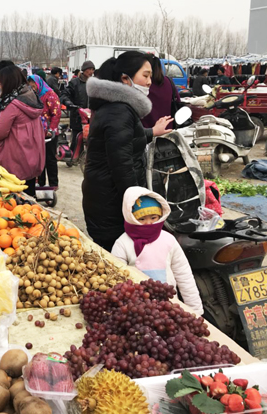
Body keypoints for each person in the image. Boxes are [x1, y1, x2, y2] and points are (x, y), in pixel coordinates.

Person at [82, 51, 173, 251]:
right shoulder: (119, 111)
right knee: (119, 263)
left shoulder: (117, 108)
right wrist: (139, 204)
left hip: (106, 198)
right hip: (111, 205)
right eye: (145, 75)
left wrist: (151, 132)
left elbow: (124, 140)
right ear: (125, 78)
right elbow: (122, 164)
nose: (150, 82)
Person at [111, 187, 204, 315]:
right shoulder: (122, 244)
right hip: (136, 311)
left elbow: (184, 276)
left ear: (160, 215)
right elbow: (115, 280)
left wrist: (196, 310)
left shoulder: (168, 240)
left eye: (153, 217)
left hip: (170, 307)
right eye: (141, 219)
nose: (149, 223)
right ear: (130, 217)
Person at [0, 66, 45, 197]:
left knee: (14, 200)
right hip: (32, 154)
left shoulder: (12, 104)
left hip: (15, 158)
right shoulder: (31, 97)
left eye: (0, 84)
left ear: (7, 83)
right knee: (29, 195)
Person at [28, 74, 61, 188]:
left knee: (50, 158)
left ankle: (53, 183)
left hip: (50, 133)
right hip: (38, 132)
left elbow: (56, 114)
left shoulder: (50, 95)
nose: (33, 89)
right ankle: (40, 183)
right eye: (31, 87)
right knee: (39, 158)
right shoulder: (33, 96)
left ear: (39, 84)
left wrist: (51, 129)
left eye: (34, 86)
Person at [61, 61, 95, 153]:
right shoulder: (74, 83)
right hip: (77, 116)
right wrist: (69, 103)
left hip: (91, 116)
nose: (91, 72)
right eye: (89, 69)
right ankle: (73, 156)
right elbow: (64, 94)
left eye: (93, 69)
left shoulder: (94, 83)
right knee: (77, 139)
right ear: (84, 70)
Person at [142, 55, 180, 130]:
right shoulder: (168, 81)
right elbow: (177, 100)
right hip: (167, 129)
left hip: (146, 131)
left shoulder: (143, 83)